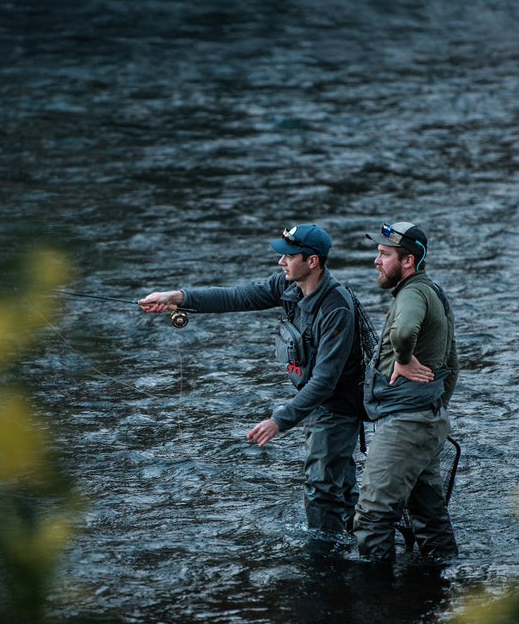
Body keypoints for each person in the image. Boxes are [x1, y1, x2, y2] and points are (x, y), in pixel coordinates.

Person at [140, 224, 363, 535]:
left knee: (321, 489)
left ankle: (324, 564)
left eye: (288, 256)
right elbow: (236, 297)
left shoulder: (335, 308)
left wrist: (278, 421)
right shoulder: (289, 288)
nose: (280, 262)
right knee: (339, 486)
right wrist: (176, 297)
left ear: (312, 261)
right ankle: (357, 544)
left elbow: (325, 382)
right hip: (313, 403)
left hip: (336, 406)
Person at [353, 222, 459, 563]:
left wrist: (403, 360)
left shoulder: (412, 294)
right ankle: (438, 586)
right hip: (427, 420)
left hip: (405, 424)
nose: (376, 261)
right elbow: (453, 364)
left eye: (384, 254)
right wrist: (434, 409)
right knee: (428, 513)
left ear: (408, 261)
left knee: (371, 514)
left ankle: (378, 603)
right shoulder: (434, 292)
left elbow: (402, 334)